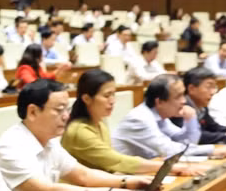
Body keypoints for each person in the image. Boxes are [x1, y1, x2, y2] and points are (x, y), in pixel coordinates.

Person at [0, 79, 148, 191]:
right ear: (33, 112)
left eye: (66, 109)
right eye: (59, 110)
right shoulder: (10, 147)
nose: (66, 116)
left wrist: (128, 182)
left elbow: (83, 175)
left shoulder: (50, 141)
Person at [62, 70, 205, 175]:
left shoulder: (100, 123)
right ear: (87, 99)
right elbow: (116, 161)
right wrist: (170, 168)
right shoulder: (79, 131)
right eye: (106, 96)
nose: (112, 101)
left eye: (113, 94)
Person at [112, 74, 226, 159]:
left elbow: (185, 142)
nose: (183, 101)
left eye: (183, 95)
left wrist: (190, 120)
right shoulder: (139, 119)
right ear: (159, 102)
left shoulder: (161, 117)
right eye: (178, 96)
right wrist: (213, 150)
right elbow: (170, 150)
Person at [170, 67, 226, 144]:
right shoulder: (180, 107)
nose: (213, 92)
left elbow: (214, 126)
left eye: (214, 87)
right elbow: (196, 135)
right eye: (209, 87)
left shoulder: (202, 106)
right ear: (191, 89)